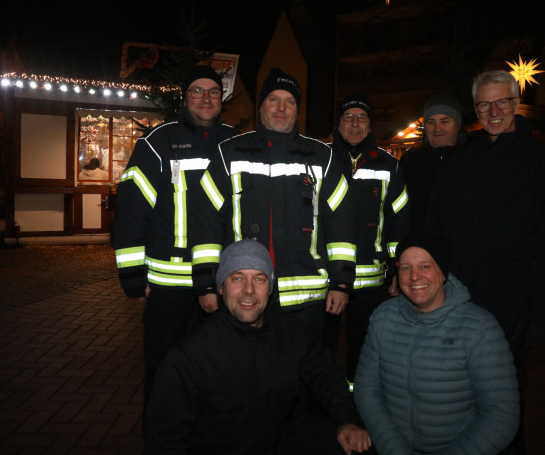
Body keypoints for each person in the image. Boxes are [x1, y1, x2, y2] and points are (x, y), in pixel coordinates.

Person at [425, 69, 545, 455]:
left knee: (503, 410)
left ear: (516, 102)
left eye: (501, 102)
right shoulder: (461, 159)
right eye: (484, 104)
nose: (493, 111)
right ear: (475, 107)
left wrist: (540, 317)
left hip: (510, 310)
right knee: (454, 402)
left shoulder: (543, 165)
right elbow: (435, 227)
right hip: (456, 305)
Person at [145, 240, 374, 455]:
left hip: (279, 446)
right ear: (221, 287)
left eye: (259, 278)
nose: (249, 290)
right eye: (237, 278)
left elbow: (326, 374)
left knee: (355, 450)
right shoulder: (189, 357)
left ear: (270, 288)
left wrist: (347, 420)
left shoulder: (289, 332)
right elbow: (165, 442)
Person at [191, 67, 356, 339]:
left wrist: (341, 283)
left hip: (307, 297)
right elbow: (206, 221)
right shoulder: (229, 153)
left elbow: (343, 224)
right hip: (246, 297)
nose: (281, 108)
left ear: (297, 109)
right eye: (273, 99)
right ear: (261, 107)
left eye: (290, 101)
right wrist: (206, 285)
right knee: (247, 376)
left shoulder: (322, 157)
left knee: (303, 375)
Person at [112, 64, 237, 405]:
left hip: (222, 280)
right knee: (164, 368)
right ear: (185, 98)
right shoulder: (157, 143)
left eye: (213, 91)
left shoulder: (236, 143)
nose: (205, 97)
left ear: (221, 98)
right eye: (196, 90)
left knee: (216, 369)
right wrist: (134, 275)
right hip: (170, 283)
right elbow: (132, 211)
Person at [353, 232, 520, 455]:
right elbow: (366, 388)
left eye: (425, 266)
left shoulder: (479, 328)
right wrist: (397, 453)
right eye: (405, 268)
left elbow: (501, 415)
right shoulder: (383, 318)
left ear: (443, 273)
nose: (414, 277)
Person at [325, 91, 409, 388]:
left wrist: (397, 266)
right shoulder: (323, 159)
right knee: (323, 347)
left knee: (364, 349)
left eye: (362, 118)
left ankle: (358, 398)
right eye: (349, 117)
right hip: (327, 275)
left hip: (371, 279)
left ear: (370, 126)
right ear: (339, 124)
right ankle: (323, 403)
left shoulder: (389, 165)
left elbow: (398, 219)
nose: (355, 123)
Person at [399, 93, 466, 230]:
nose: (437, 129)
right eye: (431, 122)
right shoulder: (410, 161)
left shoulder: (471, 158)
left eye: (445, 121)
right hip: (420, 245)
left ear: (457, 125)